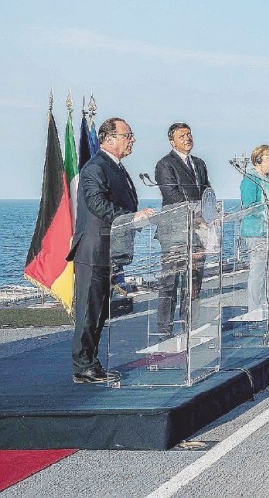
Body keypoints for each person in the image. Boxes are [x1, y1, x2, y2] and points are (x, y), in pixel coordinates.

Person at [68, 118, 154, 383]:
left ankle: (91, 363)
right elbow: (97, 204)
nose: (132, 140)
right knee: (89, 311)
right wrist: (131, 218)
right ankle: (83, 366)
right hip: (94, 250)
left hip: (110, 249)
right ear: (108, 138)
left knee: (100, 311)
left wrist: (134, 218)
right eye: (128, 135)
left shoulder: (116, 166)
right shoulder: (95, 167)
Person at [154, 122, 212, 336]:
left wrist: (210, 212)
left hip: (198, 231)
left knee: (194, 281)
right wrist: (196, 214)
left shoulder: (199, 164)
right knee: (170, 281)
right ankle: (164, 328)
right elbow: (172, 195)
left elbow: (207, 191)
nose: (187, 138)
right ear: (172, 141)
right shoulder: (165, 165)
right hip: (175, 231)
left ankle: (189, 324)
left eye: (189, 134)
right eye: (182, 136)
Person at [240, 144, 269, 314]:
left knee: (267, 272)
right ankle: (254, 309)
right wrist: (268, 213)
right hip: (256, 232)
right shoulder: (250, 179)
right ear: (258, 160)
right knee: (258, 272)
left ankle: (265, 306)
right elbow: (249, 206)